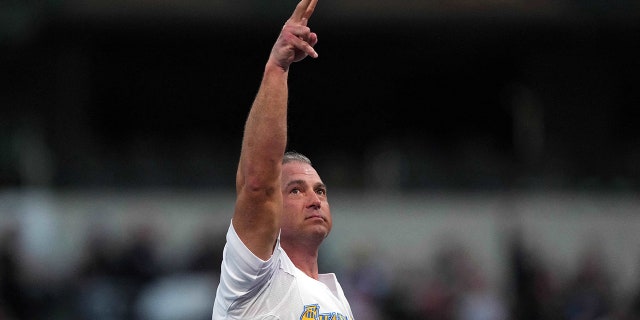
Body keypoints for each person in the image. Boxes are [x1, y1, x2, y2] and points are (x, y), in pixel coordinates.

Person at [211, 0, 355, 319]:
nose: (315, 199)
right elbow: (258, 184)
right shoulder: (254, 276)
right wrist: (277, 68)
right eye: (295, 190)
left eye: (320, 190)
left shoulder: (337, 298)